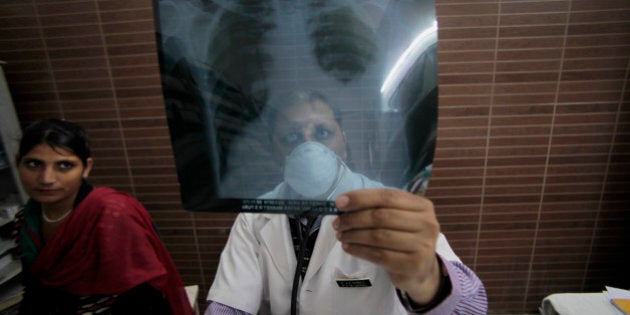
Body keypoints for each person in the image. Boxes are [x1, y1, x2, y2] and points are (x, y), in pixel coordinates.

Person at [204, 90, 488, 314]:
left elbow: (471, 306)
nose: (308, 146)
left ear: (344, 141)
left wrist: (428, 280)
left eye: (322, 133)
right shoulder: (255, 214)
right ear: (276, 153)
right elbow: (230, 303)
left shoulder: (385, 207)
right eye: (292, 137)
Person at [13, 119, 193, 315]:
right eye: (34, 164)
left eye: (64, 165)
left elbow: (141, 293)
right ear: (18, 163)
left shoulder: (111, 214)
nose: (47, 178)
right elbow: (33, 288)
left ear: (86, 168)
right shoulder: (26, 219)